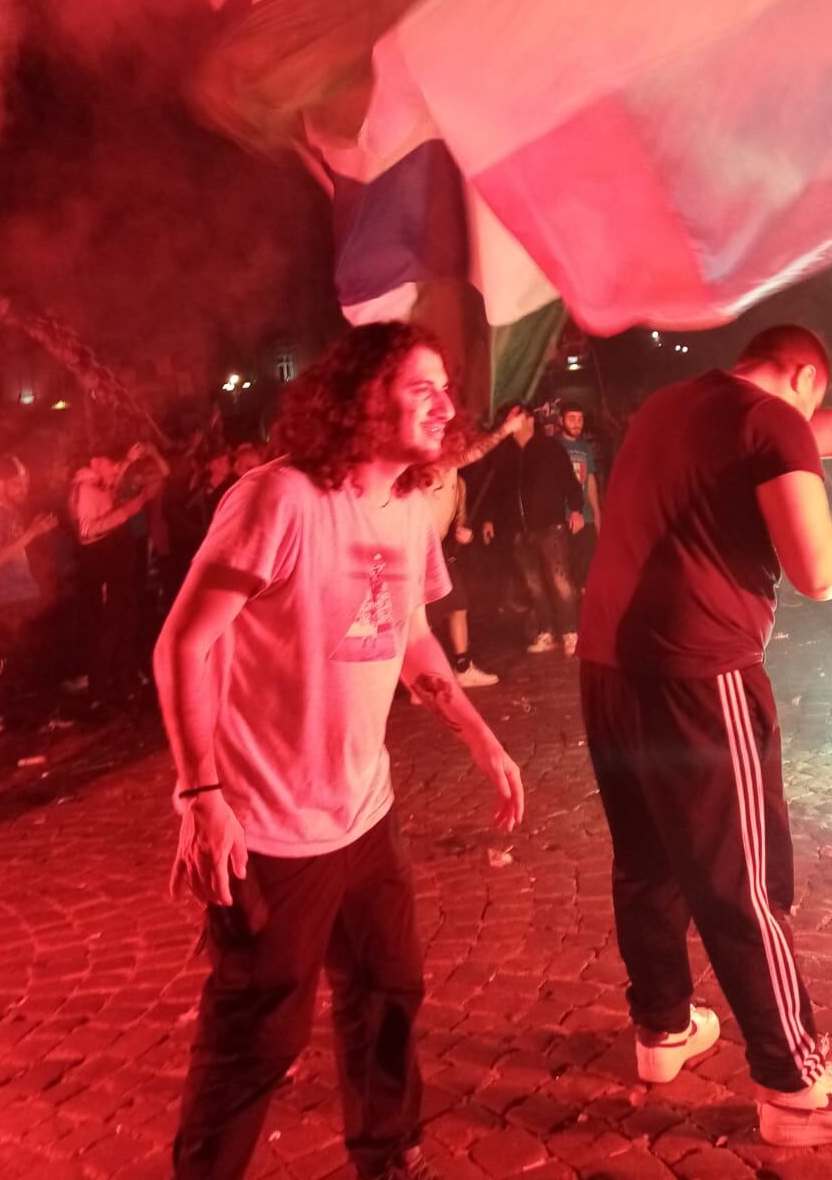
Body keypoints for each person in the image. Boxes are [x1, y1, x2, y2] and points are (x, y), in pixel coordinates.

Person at [154, 322, 524, 1180]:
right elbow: (182, 645)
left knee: (389, 993)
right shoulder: (276, 499)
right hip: (270, 827)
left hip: (365, 813)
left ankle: (389, 1158)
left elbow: (414, 635)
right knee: (259, 1030)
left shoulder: (409, 505)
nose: (446, 404)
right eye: (421, 386)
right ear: (362, 397)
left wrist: (478, 733)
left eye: (447, 387)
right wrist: (199, 794)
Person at [578, 325, 832, 1147]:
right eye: (812, 399)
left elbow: (799, 437)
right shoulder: (772, 420)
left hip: (609, 666)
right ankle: (794, 1087)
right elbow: (819, 569)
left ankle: (663, 1029)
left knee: (647, 861)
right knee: (743, 880)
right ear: (802, 374)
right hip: (700, 676)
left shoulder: (676, 405)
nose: (810, 422)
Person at [422, 408, 528, 689]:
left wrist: (463, 532)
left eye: (461, 439)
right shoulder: (432, 464)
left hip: (437, 551)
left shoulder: (459, 481)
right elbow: (477, 451)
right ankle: (422, 679)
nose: (460, 444)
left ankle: (461, 667)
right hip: (416, 551)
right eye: (454, 439)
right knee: (423, 620)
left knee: (458, 605)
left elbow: (456, 517)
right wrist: (505, 430)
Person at [69, 442, 162, 713]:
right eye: (111, 466)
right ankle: (99, 693)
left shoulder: (96, 483)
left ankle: (126, 686)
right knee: (110, 630)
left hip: (119, 567)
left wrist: (126, 462)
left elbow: (111, 488)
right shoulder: (83, 489)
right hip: (105, 568)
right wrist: (127, 511)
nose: (115, 472)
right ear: (97, 462)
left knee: (126, 625)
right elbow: (87, 533)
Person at [482, 407, 584, 655]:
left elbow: (569, 480)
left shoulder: (550, 447)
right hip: (518, 529)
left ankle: (571, 633)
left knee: (561, 582)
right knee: (534, 585)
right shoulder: (506, 453)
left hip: (550, 525)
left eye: (515, 418)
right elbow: (496, 488)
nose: (510, 424)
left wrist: (576, 509)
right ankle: (546, 632)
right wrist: (488, 519)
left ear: (529, 420)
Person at [0, 455, 57, 729]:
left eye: (26, 484)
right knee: (2, 659)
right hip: (3, 597)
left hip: (21, 593)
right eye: (18, 484)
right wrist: (33, 532)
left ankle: (9, 713)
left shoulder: (10, 512)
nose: (24, 490)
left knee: (22, 658)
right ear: (0, 484)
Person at [558, 403, 601, 587]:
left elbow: (589, 478)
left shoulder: (585, 447)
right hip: (564, 517)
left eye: (580, 419)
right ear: (561, 420)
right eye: (572, 419)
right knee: (567, 571)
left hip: (586, 517)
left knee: (588, 568)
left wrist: (597, 513)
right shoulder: (554, 445)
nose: (577, 423)